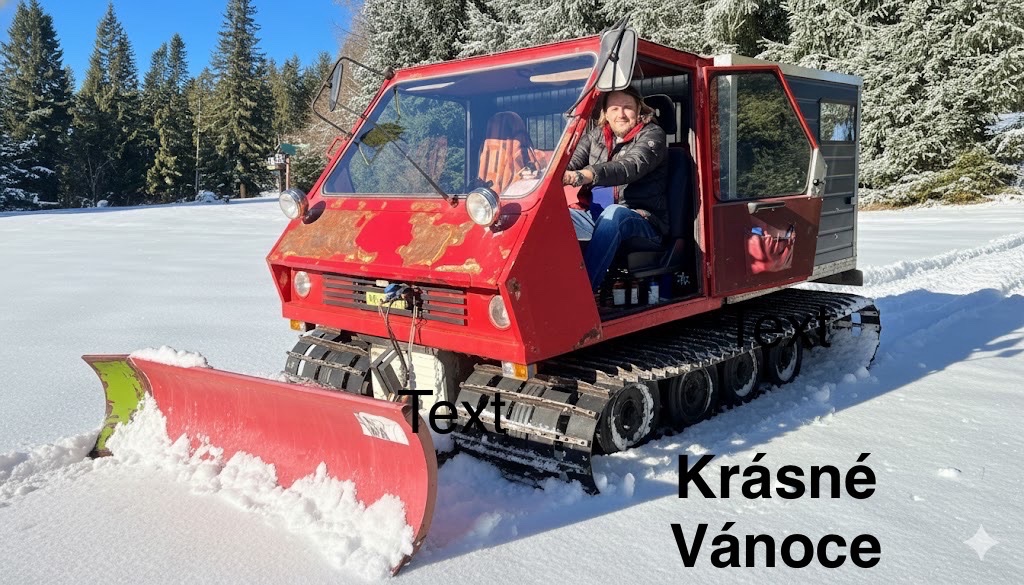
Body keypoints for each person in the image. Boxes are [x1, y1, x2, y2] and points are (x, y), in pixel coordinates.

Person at [563, 86, 669, 292]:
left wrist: (585, 175)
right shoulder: (595, 137)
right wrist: (548, 173)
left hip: (642, 219)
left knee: (614, 214)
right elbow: (569, 162)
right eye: (614, 108)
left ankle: (582, 294)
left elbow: (630, 166)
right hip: (593, 216)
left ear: (639, 109)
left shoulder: (653, 135)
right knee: (554, 216)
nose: (621, 114)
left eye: (627, 107)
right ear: (605, 113)